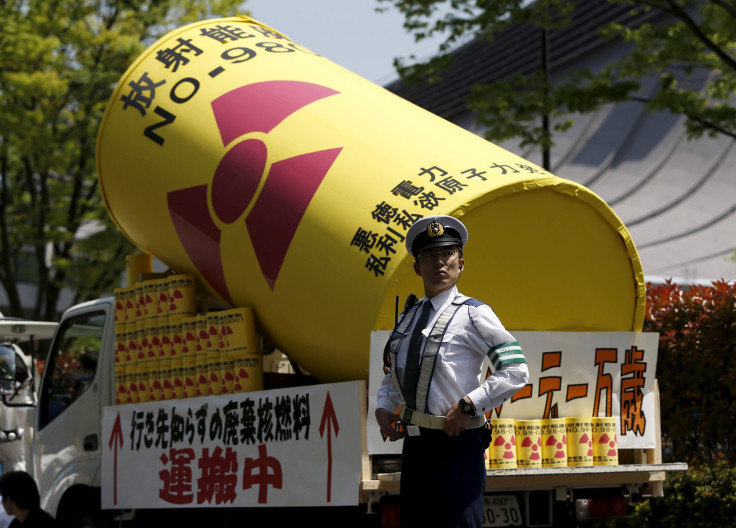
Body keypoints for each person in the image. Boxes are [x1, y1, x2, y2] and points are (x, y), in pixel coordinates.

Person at [375, 215, 529, 528]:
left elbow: (515, 369)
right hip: (415, 447)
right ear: (417, 267)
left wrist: (469, 405)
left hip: (457, 444)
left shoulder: (474, 313)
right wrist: (382, 407)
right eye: (429, 255)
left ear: (461, 263)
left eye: (447, 253)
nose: (439, 262)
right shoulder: (408, 317)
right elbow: (394, 372)